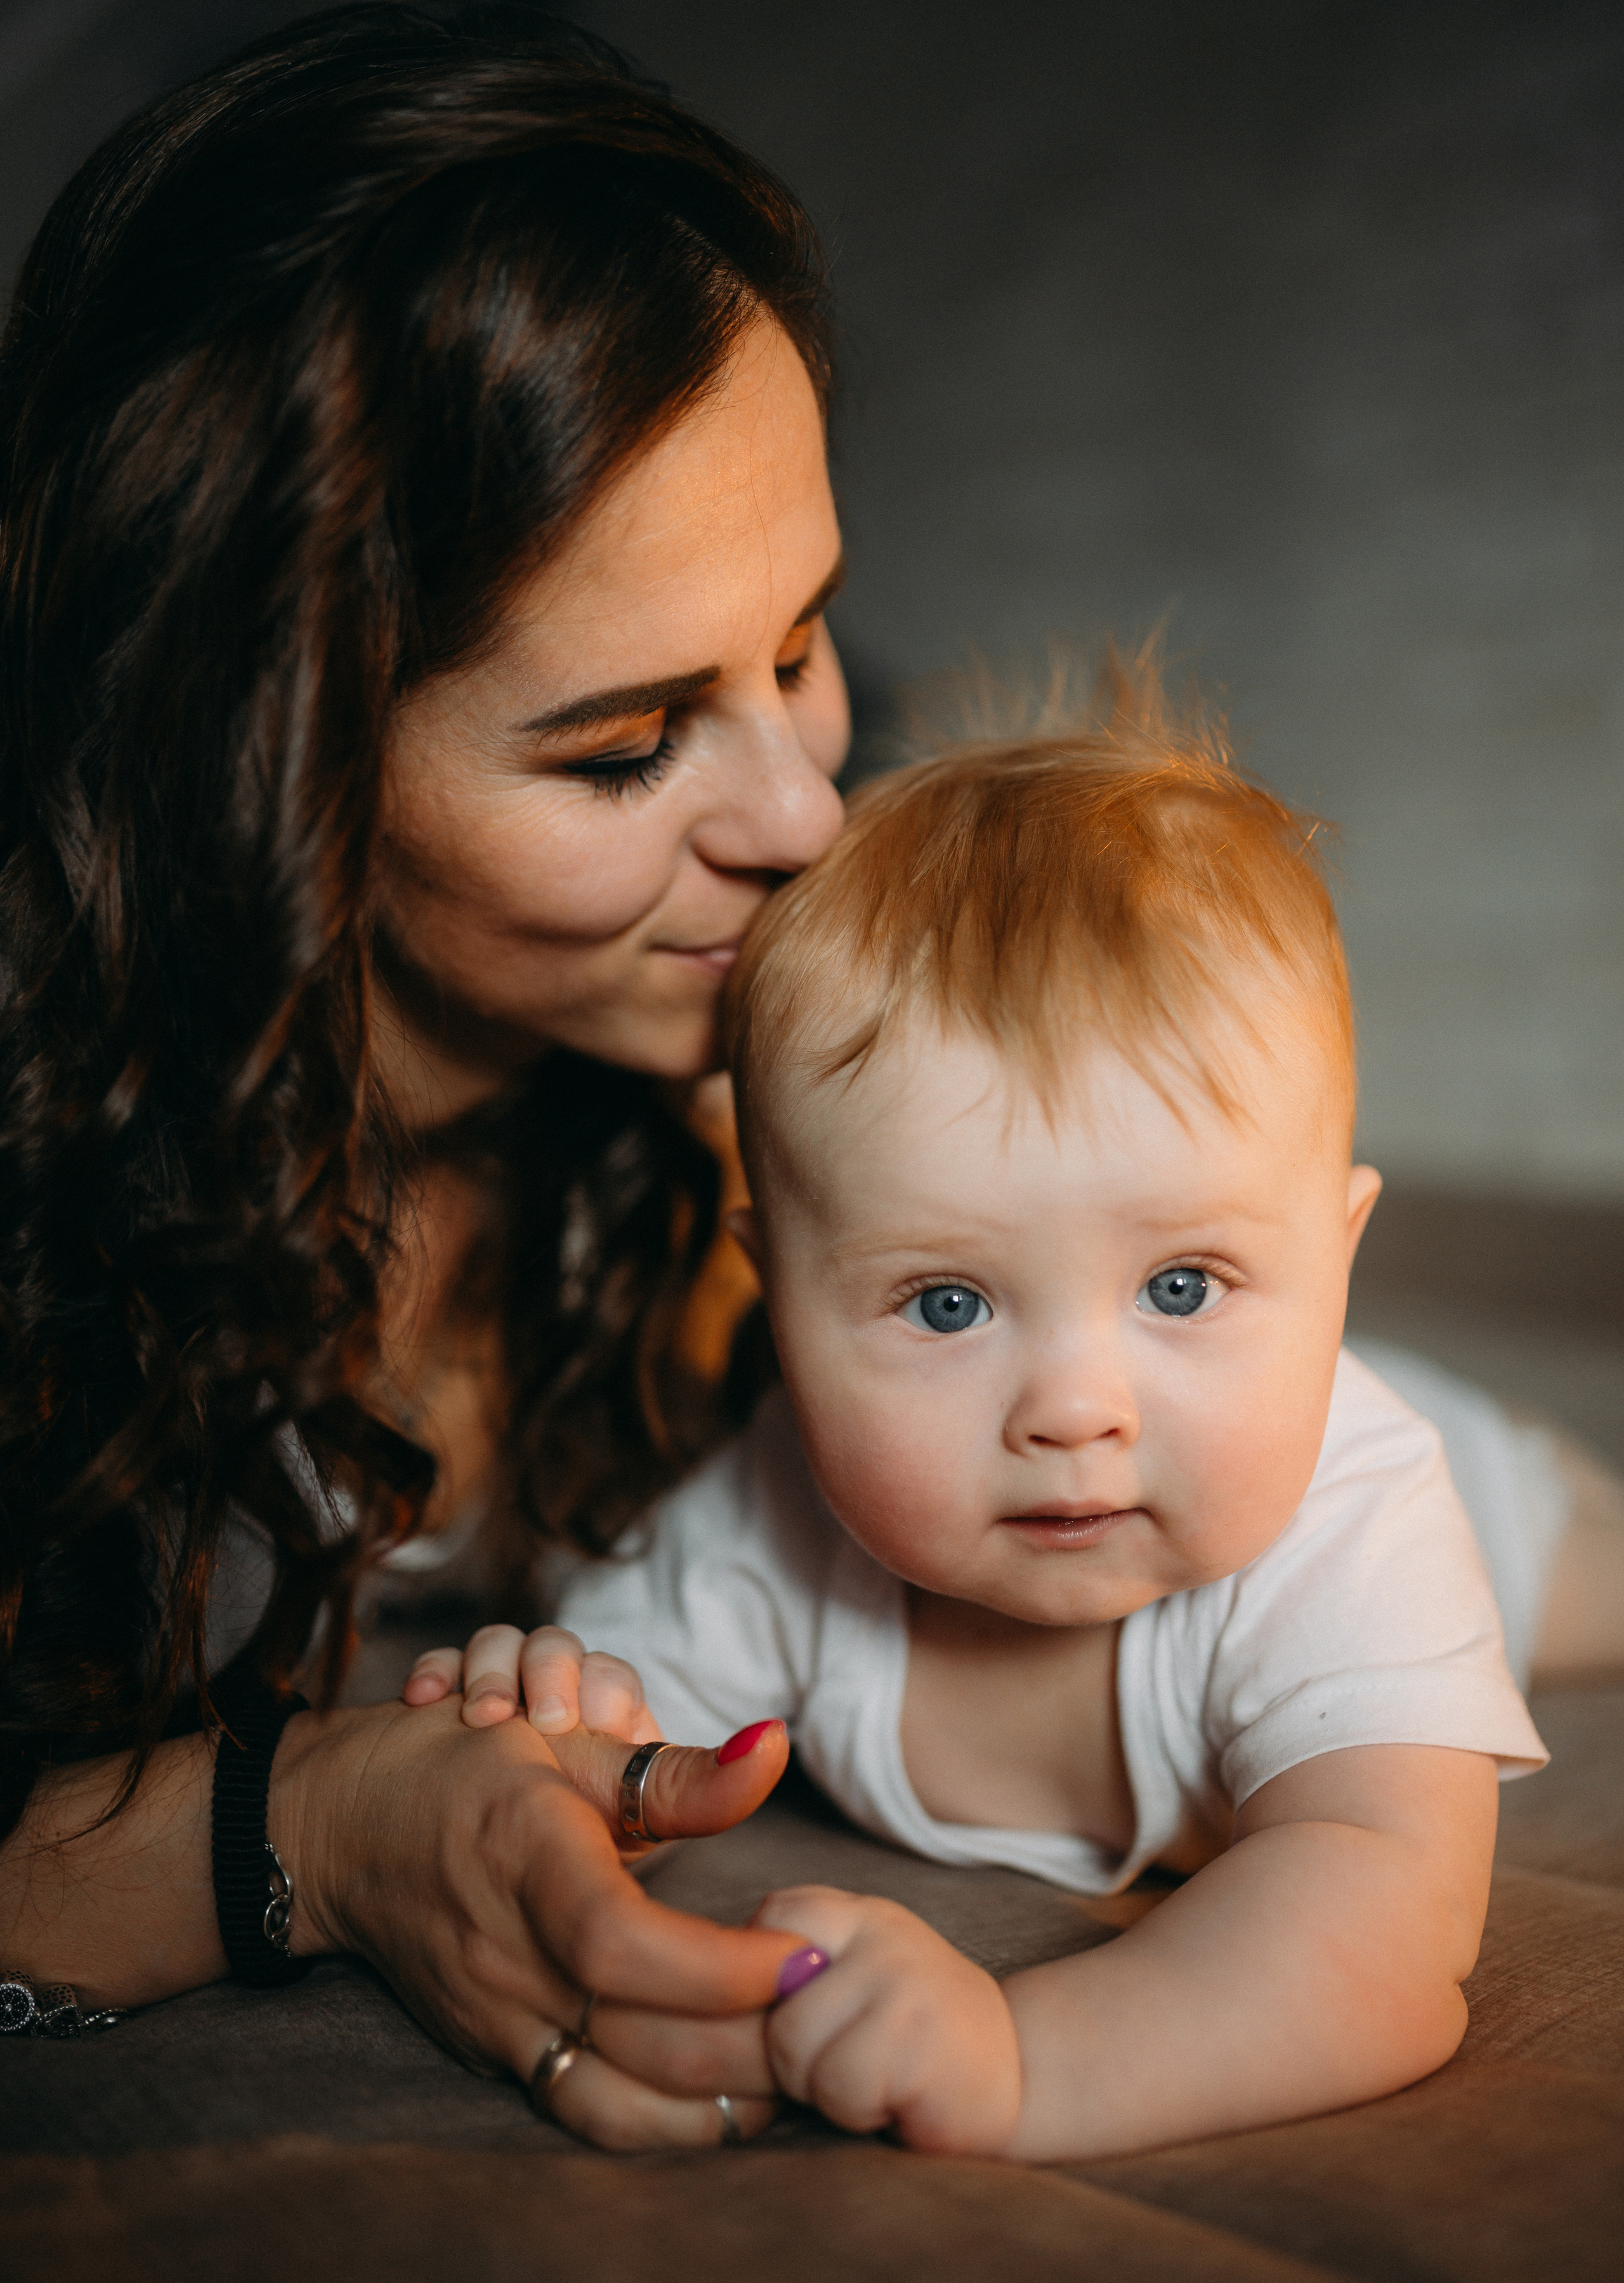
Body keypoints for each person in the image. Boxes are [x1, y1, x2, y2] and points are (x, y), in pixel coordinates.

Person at [0, 0, 860, 2145]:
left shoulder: (725, 1067)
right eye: (626, 744)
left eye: (802, 643)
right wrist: (309, 1830)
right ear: (260, 768)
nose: (808, 821)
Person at [424, 688, 1624, 2159]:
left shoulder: (1364, 1519)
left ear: (1337, 1252)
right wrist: (552, 1732)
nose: (1072, 1410)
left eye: (1180, 1281)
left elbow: (1380, 1918)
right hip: (1235, 1412)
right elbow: (620, 1725)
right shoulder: (772, 1514)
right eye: (945, 1306)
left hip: (1480, 1507)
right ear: (779, 1301)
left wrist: (1024, 2058)